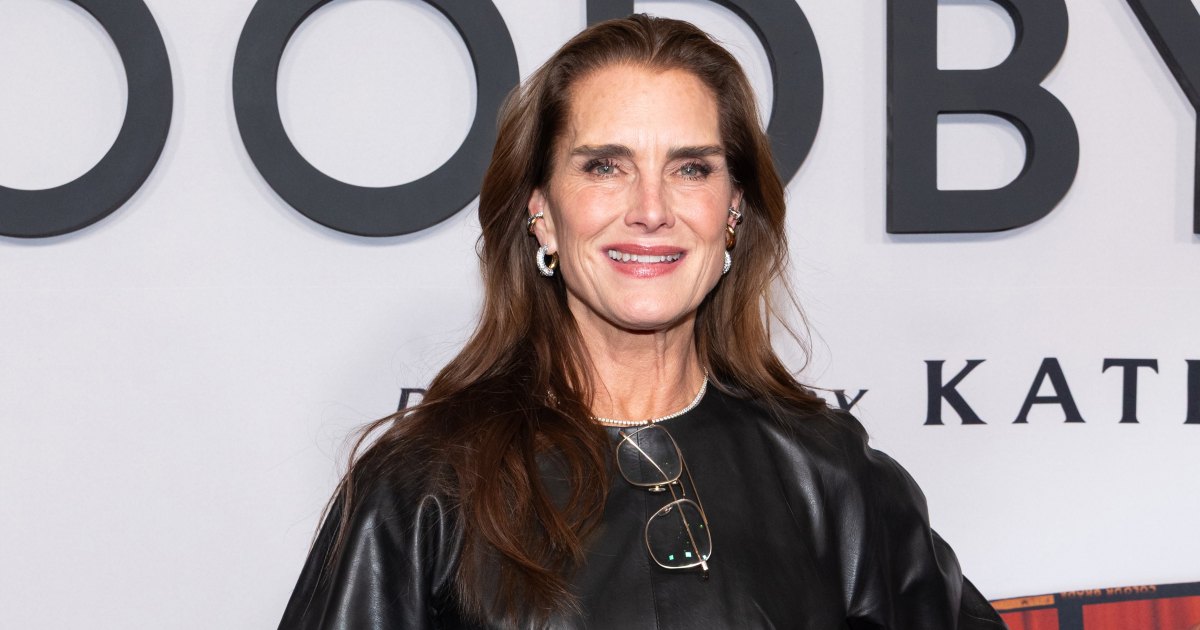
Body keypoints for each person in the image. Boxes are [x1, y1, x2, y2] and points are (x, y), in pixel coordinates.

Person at [278, 14, 1006, 630]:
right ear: (541, 211)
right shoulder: (422, 491)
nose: (651, 210)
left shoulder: (830, 473)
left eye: (691, 168)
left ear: (734, 209)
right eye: (605, 166)